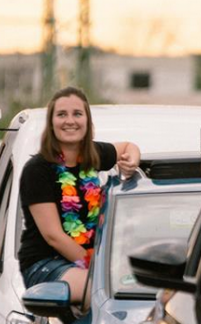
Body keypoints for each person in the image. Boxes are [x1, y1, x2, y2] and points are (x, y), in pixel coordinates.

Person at [18, 86, 141, 305]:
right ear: (52, 123)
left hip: (88, 262)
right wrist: (100, 267)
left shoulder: (93, 156)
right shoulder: (37, 170)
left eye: (77, 114)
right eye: (61, 114)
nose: (70, 121)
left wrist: (131, 162)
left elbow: (129, 146)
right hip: (46, 262)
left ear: (87, 120)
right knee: (98, 290)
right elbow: (53, 236)